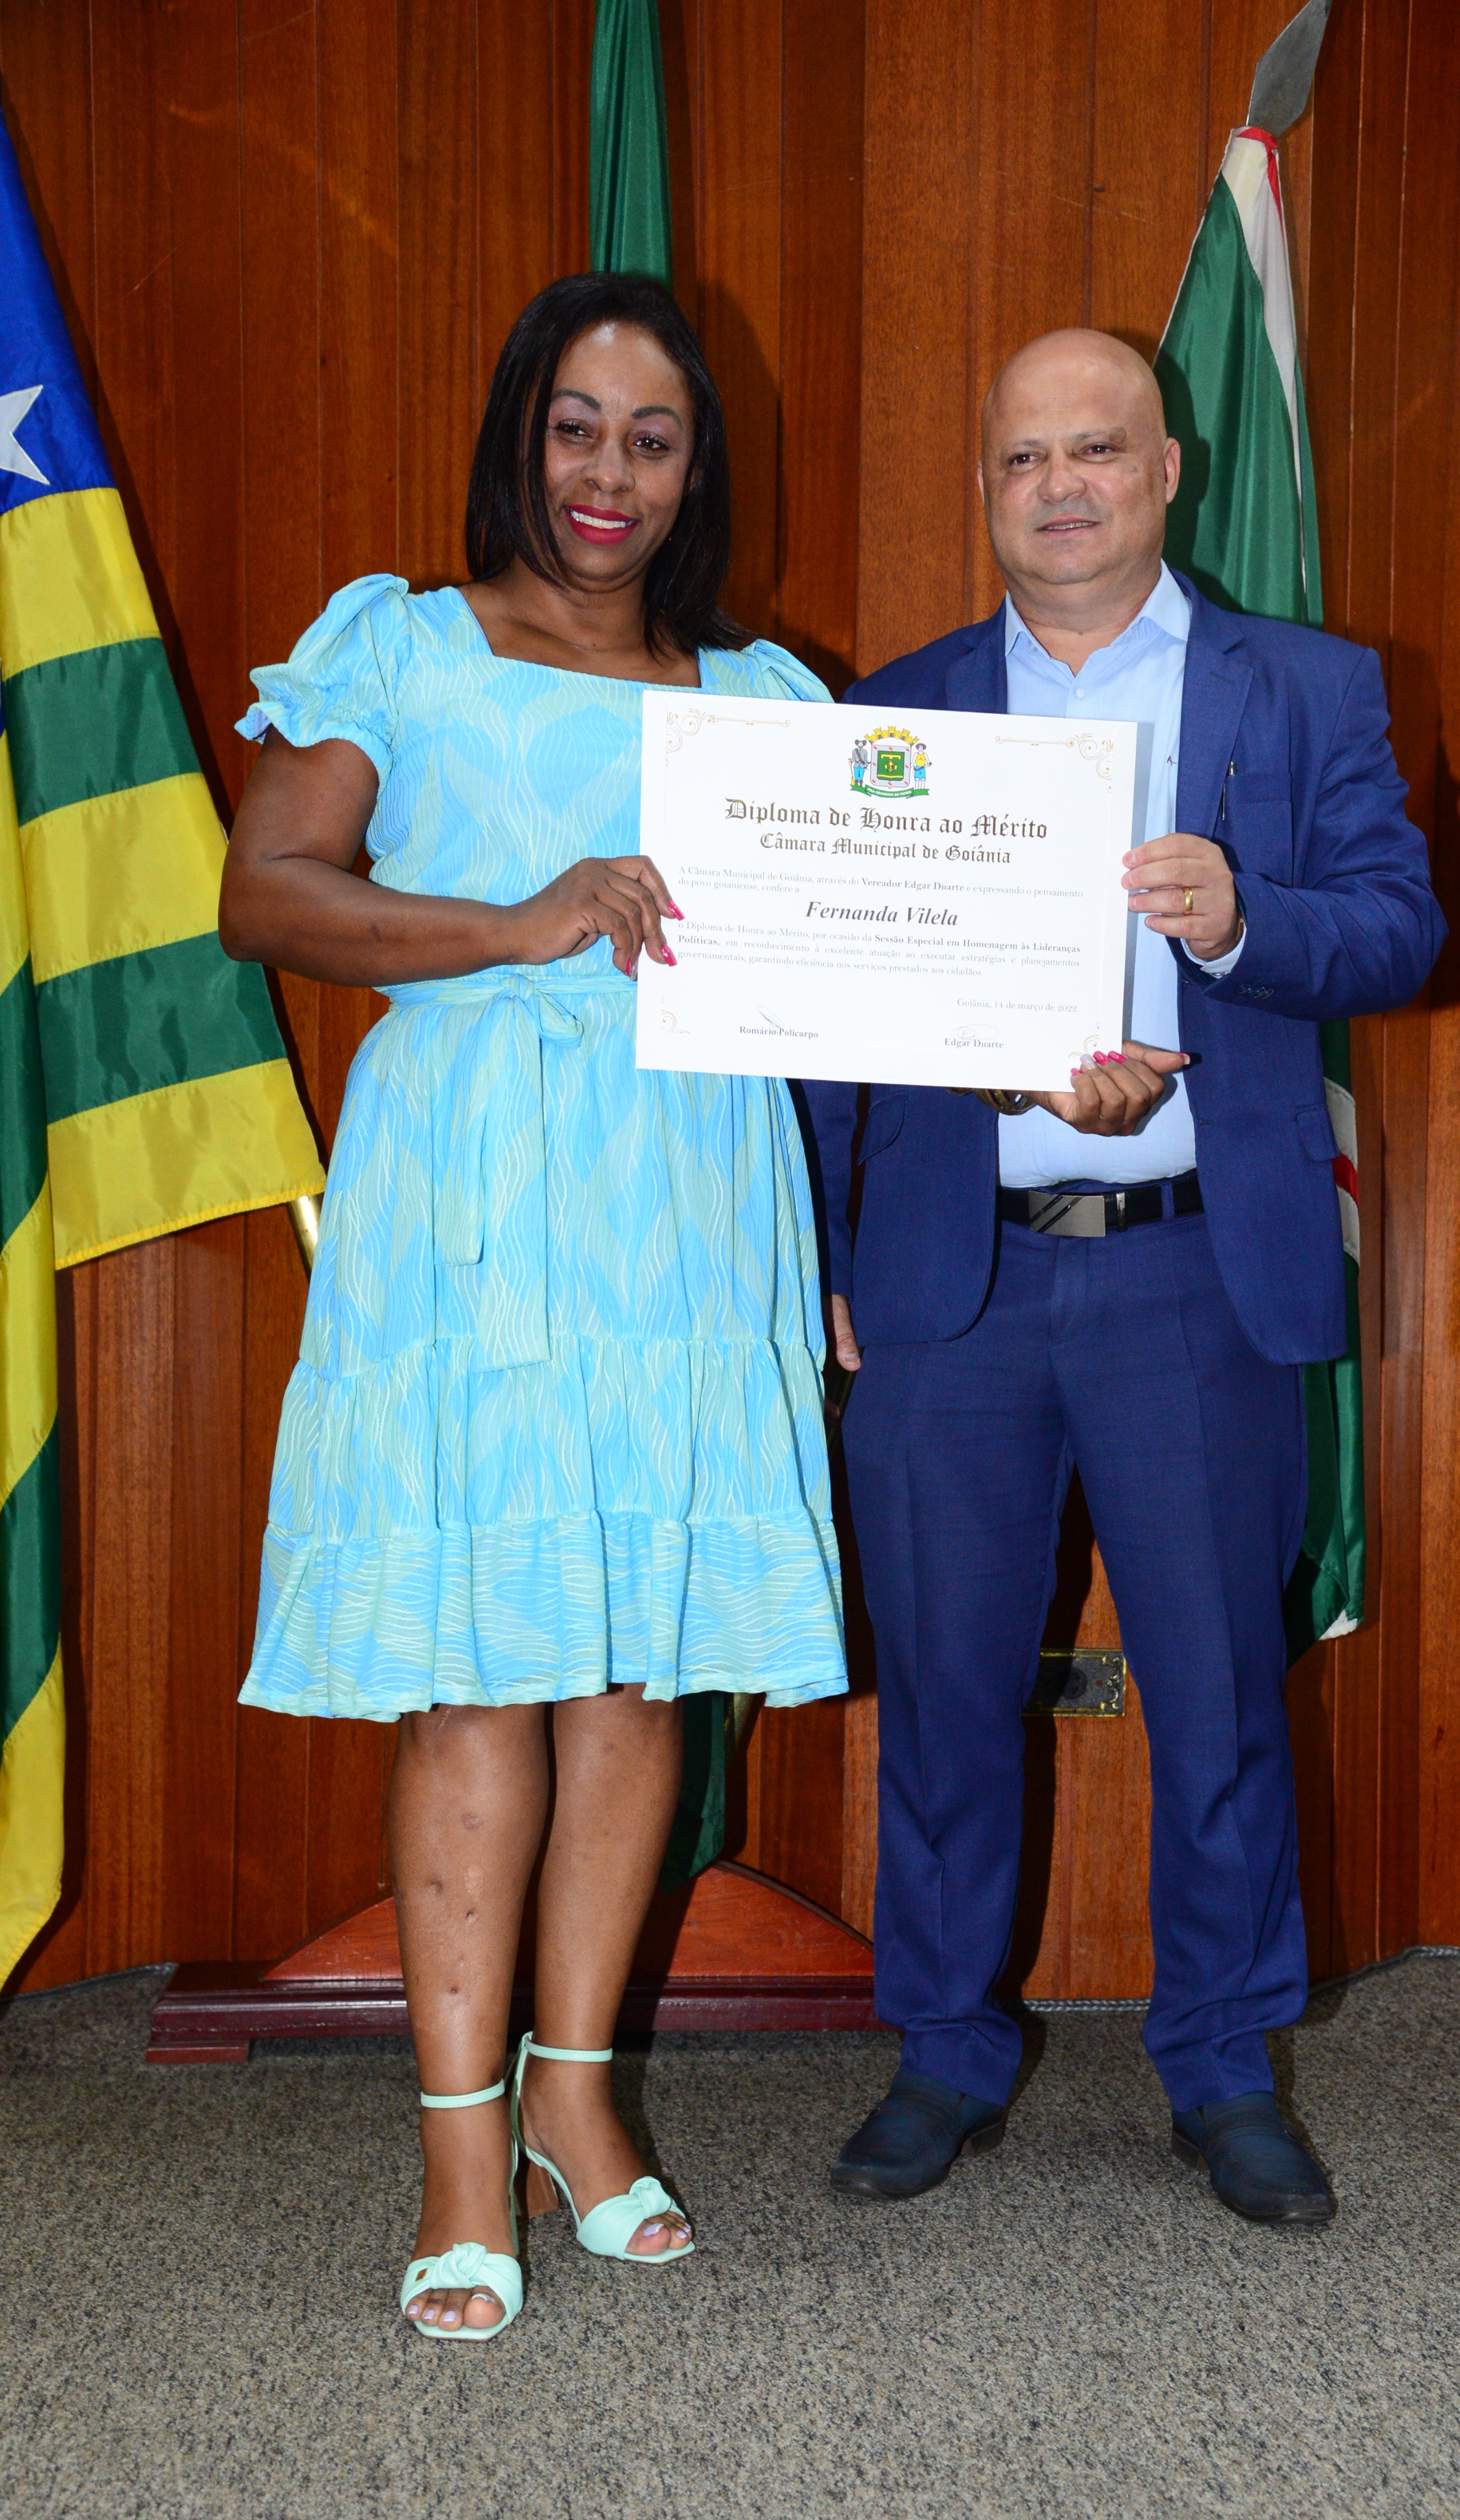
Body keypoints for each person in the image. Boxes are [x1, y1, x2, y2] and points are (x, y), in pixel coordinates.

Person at [221, 275, 846, 2338]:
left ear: (697, 467)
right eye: (577, 424)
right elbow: (267, 892)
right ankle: (456, 2146)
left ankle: (578, 2098)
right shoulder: (402, 645)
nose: (609, 472)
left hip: (691, 1207)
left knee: (639, 1671)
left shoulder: (761, 699)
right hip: (476, 1201)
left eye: (652, 437)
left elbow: (860, 982)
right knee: (480, 1669)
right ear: (520, 433)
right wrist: (516, 923)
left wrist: (1036, 1048)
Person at [797, 330, 1444, 2222]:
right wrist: (827, 1254)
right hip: (953, 1281)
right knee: (943, 1689)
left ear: (1169, 470)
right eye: (1024, 459)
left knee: (1221, 1695)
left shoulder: (1305, 689)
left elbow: (1402, 929)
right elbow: (829, 1019)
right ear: (985, 490)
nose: (1060, 487)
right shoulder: (896, 710)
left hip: (1194, 1279)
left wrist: (1243, 921)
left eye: (1097, 451)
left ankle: (1224, 2066)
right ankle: (944, 2046)